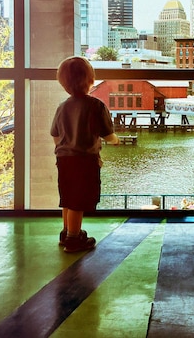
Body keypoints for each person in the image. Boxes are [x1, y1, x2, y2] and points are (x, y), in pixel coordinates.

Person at [51, 56, 120, 253]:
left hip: (63, 159)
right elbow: (108, 134)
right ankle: (74, 239)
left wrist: (64, 147)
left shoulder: (62, 106)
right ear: (91, 80)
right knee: (78, 200)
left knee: (67, 197)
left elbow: (55, 134)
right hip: (85, 160)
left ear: (63, 83)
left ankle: (66, 232)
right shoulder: (95, 106)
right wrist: (116, 140)